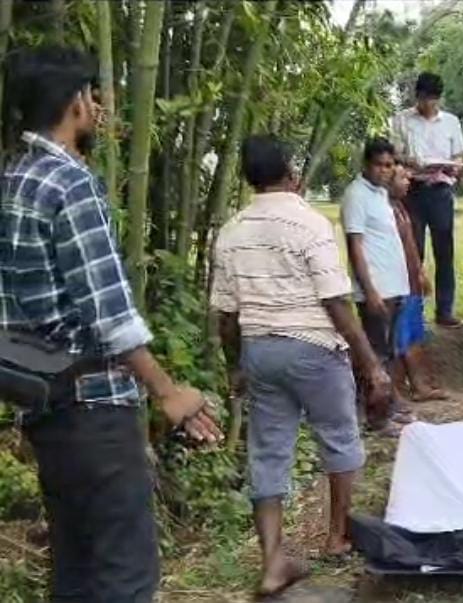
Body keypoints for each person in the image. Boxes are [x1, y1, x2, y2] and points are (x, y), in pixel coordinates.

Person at [0, 46, 221, 603]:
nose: (99, 107)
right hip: (94, 408)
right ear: (75, 100)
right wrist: (168, 392)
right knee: (125, 574)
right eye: (94, 95)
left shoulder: (14, 180)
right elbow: (109, 315)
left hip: (43, 408)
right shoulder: (69, 183)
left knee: (76, 571)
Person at [211, 135, 389, 597]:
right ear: (291, 172)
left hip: (260, 350)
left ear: (248, 176)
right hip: (313, 348)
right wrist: (370, 363)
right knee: (339, 436)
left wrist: (236, 365)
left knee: (268, 453)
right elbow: (335, 302)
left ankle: (272, 561)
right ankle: (337, 536)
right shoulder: (310, 223)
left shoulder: (230, 231)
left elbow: (226, 318)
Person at [341, 137, 416, 432]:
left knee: (388, 352)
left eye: (389, 165)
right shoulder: (356, 195)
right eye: (379, 165)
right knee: (375, 354)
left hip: (394, 286)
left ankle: (385, 407)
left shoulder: (381, 196)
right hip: (376, 290)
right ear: (366, 164)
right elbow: (355, 246)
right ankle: (375, 416)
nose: (385, 171)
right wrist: (369, 290)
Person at [390, 72, 463, 328]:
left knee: (445, 251)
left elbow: (459, 155)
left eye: (433, 101)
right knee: (414, 252)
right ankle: (414, 313)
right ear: (417, 97)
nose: (429, 106)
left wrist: (455, 167)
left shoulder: (451, 122)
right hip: (413, 189)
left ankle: (445, 310)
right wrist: (410, 162)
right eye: (424, 100)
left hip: (441, 189)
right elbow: (394, 156)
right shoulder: (402, 121)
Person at [387, 162, 448, 401]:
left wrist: (420, 273)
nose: (408, 181)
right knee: (402, 339)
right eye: (402, 178)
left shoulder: (400, 209)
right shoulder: (388, 212)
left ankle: (419, 385)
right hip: (400, 283)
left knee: (414, 335)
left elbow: (411, 248)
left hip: (410, 281)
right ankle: (402, 390)